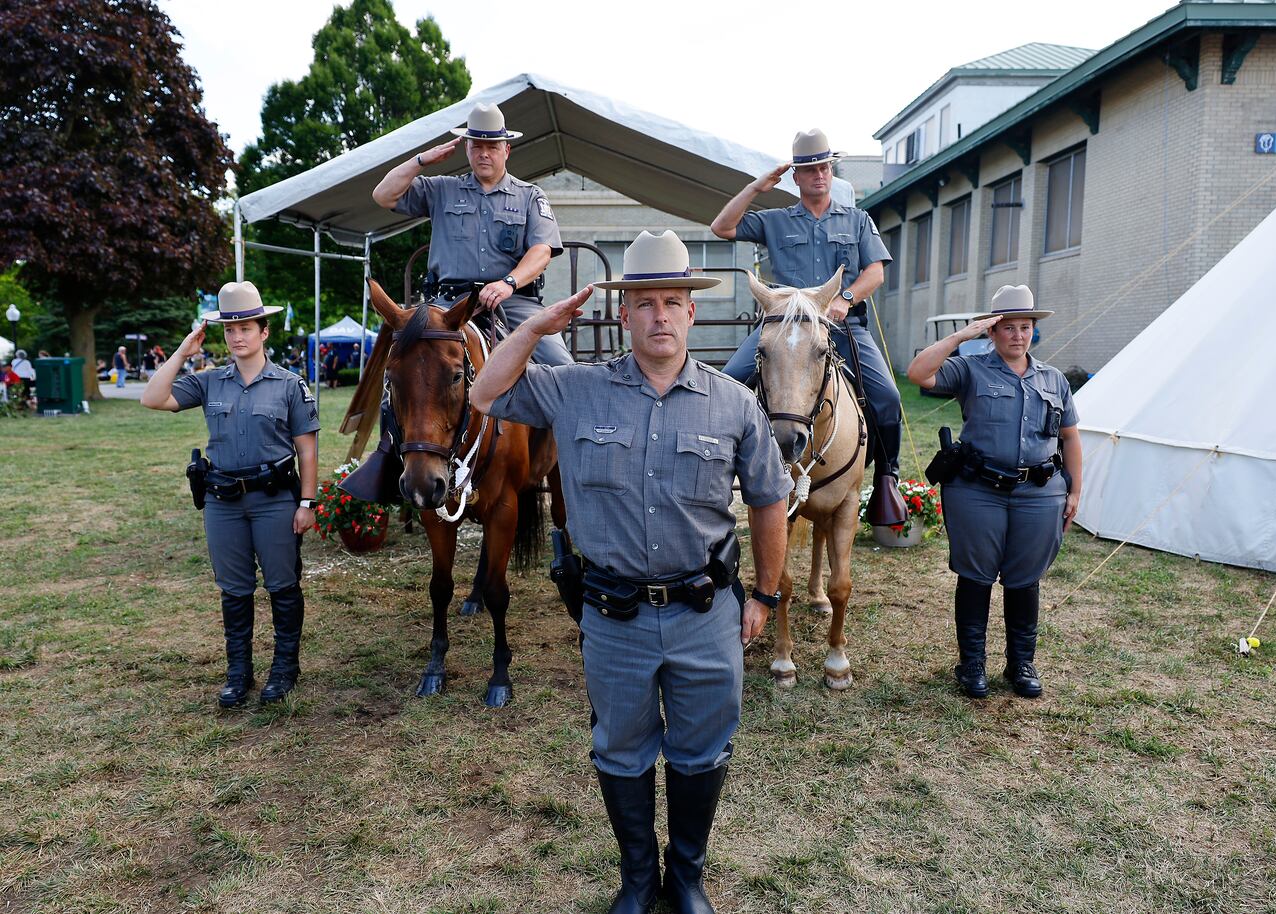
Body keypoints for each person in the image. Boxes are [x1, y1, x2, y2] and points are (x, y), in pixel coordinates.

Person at [473, 231, 792, 914]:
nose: (659, 316)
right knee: (620, 749)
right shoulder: (573, 391)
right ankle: (638, 879)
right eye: (644, 303)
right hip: (613, 616)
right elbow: (483, 392)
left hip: (704, 612)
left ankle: (687, 878)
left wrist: (763, 593)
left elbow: (770, 498)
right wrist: (534, 326)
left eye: (672, 302)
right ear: (624, 315)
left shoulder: (732, 404)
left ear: (691, 313)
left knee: (701, 748)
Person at [711, 129, 905, 525]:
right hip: (785, 327)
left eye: (825, 167)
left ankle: (887, 477)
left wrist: (845, 299)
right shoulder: (774, 220)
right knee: (729, 383)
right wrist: (755, 187)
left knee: (887, 397)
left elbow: (876, 272)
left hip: (841, 326)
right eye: (811, 169)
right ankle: (723, 471)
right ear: (795, 177)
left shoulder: (857, 220)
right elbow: (722, 227)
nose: (820, 174)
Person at [141, 281, 321, 708]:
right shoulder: (207, 383)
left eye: (246, 327)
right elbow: (153, 398)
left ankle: (284, 669)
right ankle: (239, 672)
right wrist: (184, 351)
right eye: (230, 330)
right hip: (223, 503)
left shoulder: (289, 385)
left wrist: (307, 503)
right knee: (235, 590)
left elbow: (307, 450)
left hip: (275, 499)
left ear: (264, 332)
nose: (237, 337)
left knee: (282, 584)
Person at [907, 285, 1082, 700]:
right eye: (1008, 328)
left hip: (1039, 492)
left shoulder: (1053, 379)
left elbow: (1070, 438)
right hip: (977, 491)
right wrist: (960, 337)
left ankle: (1021, 663)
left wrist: (1075, 490)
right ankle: (971, 665)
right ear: (993, 331)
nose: (1018, 335)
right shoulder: (970, 369)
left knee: (1025, 579)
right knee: (976, 575)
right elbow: (919, 373)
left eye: (1026, 327)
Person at [371, 102, 573, 367]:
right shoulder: (442, 189)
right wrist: (420, 161)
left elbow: (542, 251)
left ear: (507, 150)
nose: (484, 154)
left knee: (559, 364)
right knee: (402, 362)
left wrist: (508, 283)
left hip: (511, 302)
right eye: (476, 145)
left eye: (492, 147)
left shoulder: (530, 196)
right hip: (448, 303)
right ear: (466, 148)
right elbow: (383, 195)